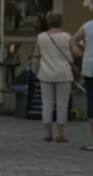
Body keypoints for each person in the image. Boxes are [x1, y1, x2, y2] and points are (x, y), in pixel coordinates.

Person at [32, 11, 75, 143]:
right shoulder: (67, 37)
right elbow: (74, 53)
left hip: (46, 73)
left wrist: (34, 70)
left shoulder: (41, 37)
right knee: (62, 103)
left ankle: (48, 133)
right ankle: (60, 133)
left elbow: (36, 55)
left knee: (47, 102)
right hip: (64, 73)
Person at [71, 0, 93, 151]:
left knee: (92, 103)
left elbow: (72, 41)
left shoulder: (88, 26)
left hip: (90, 66)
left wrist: (80, 52)